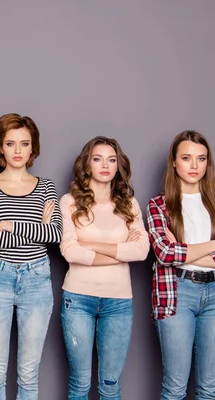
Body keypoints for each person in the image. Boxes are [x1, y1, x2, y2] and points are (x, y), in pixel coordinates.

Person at [147, 130, 215, 399]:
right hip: (176, 293)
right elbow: (165, 254)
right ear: (174, 162)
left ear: (207, 162)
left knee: (209, 388)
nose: (194, 166)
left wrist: (186, 252)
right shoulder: (159, 205)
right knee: (175, 386)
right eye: (187, 158)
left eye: (201, 159)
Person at [0, 113, 62, 400]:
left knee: (28, 373)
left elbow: (56, 235)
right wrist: (37, 227)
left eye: (24, 144)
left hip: (36, 279)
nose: (17, 151)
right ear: (0, 147)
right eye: (10, 143)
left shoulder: (47, 186)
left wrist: (10, 224)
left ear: (32, 148)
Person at [58, 136, 149, 400]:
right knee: (80, 384)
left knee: (110, 386)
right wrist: (122, 252)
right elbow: (70, 251)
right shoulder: (69, 202)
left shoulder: (128, 204)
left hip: (119, 302)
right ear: (87, 165)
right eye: (98, 159)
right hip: (78, 299)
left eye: (112, 159)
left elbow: (142, 251)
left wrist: (91, 245)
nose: (105, 165)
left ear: (119, 165)